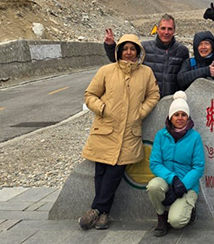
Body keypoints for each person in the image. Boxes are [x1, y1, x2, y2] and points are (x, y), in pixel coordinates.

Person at [79, 34, 160, 231]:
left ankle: (95, 210)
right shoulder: (106, 71)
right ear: (119, 51)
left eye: (133, 49)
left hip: (129, 133)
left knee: (115, 173)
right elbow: (90, 95)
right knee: (101, 172)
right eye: (125, 49)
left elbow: (154, 94)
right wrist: (103, 108)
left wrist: (141, 112)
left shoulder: (146, 72)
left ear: (138, 52)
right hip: (105, 130)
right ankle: (103, 213)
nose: (129, 52)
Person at [147, 91, 204, 237]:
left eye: (183, 114)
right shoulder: (161, 135)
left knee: (177, 221)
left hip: (186, 184)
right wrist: (173, 179)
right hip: (167, 180)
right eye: (176, 114)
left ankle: (187, 209)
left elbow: (198, 167)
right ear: (170, 116)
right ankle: (161, 215)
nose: (180, 118)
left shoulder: (195, 137)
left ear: (188, 117)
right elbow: (154, 163)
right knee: (153, 186)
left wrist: (182, 184)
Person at [104, 14, 189, 97]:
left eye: (170, 29)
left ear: (174, 31)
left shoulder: (182, 51)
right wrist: (110, 45)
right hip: (148, 100)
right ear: (157, 29)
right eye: (163, 28)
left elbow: (185, 77)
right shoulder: (144, 48)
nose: (166, 32)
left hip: (172, 101)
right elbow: (122, 62)